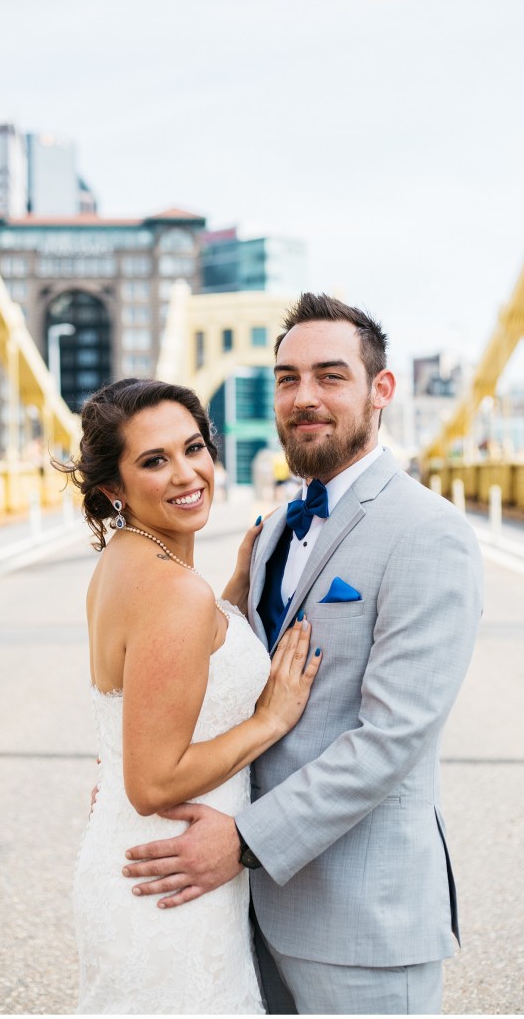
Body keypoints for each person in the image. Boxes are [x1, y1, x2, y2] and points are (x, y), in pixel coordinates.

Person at [122, 293, 484, 1015]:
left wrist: (246, 843)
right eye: (287, 379)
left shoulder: (428, 533)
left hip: (361, 920)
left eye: (330, 376)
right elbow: (221, 684)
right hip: (245, 915)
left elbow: (392, 738)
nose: (303, 397)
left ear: (381, 390)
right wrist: (130, 761)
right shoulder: (276, 527)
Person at [56, 378, 322, 1014]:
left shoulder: (127, 562)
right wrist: (269, 719)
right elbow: (153, 781)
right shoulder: (175, 592)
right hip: (170, 882)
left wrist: (228, 597)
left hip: (138, 864)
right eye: (154, 460)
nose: (186, 474)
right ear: (111, 488)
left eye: (193, 447)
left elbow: (171, 669)